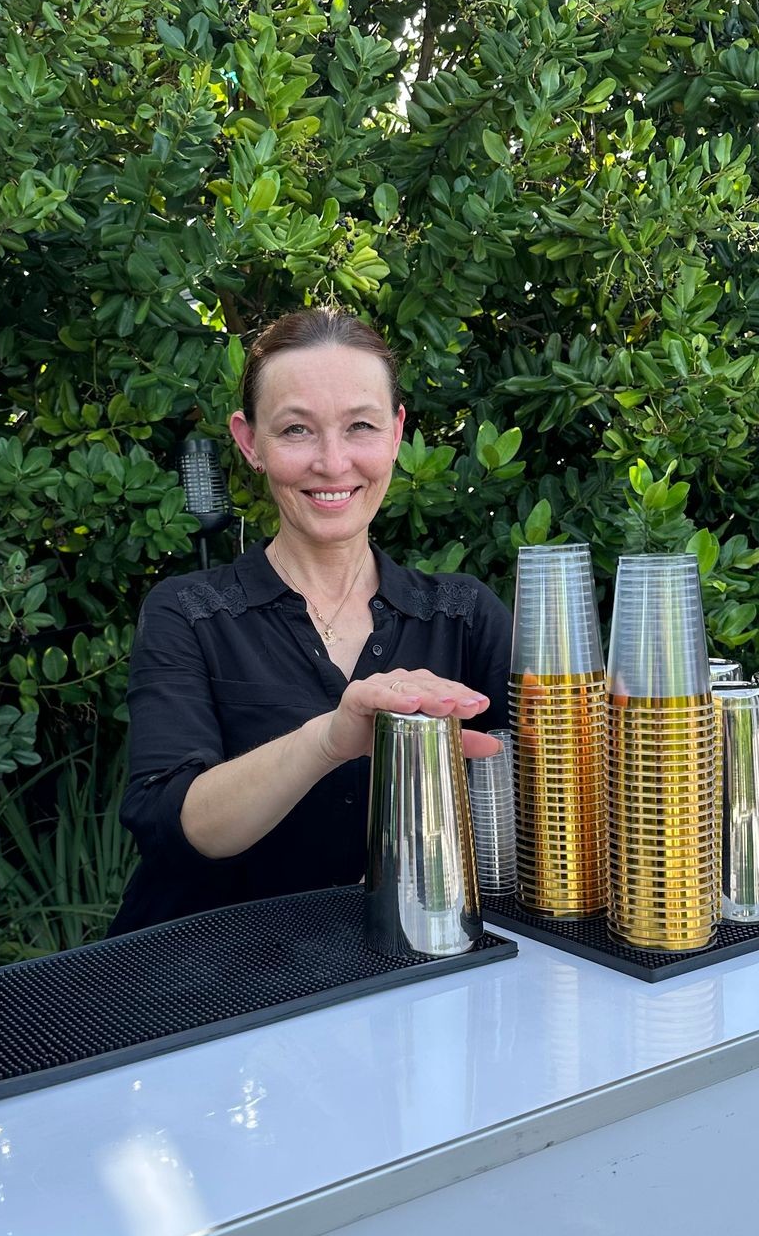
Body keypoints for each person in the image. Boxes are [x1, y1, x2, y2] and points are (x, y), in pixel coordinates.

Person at [109, 309, 511, 933]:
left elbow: (548, 796)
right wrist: (330, 739)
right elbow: (176, 824)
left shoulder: (461, 615)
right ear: (250, 443)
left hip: (409, 974)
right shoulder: (188, 615)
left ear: (398, 432)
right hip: (207, 991)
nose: (332, 462)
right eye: (297, 430)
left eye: (361, 427)